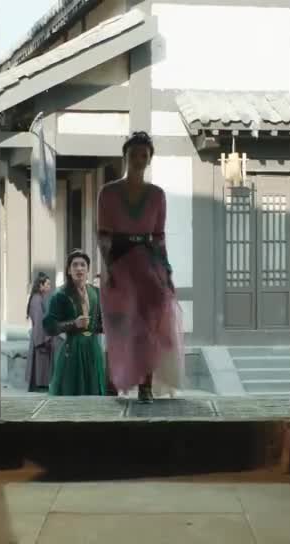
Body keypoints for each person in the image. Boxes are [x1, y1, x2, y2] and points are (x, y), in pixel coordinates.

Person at [97, 131, 186, 404]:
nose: (138, 159)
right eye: (134, 154)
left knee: (150, 325)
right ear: (125, 156)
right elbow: (103, 235)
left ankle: (145, 385)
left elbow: (159, 237)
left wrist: (166, 271)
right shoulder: (108, 192)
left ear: (149, 159)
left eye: (144, 155)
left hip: (148, 262)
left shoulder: (157, 195)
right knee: (121, 326)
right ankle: (116, 383)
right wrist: (109, 268)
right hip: (119, 262)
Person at [43, 250, 108, 396]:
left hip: (93, 349)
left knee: (94, 394)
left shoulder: (96, 293)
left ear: (88, 269)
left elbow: (99, 324)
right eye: (75, 265)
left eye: (83, 265)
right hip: (72, 350)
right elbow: (49, 326)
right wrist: (73, 324)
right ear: (68, 270)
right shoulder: (60, 295)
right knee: (71, 393)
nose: (79, 268)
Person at [26, 272, 57, 392]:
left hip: (39, 336)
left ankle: (40, 386)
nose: (49, 286)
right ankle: (40, 387)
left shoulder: (38, 298)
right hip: (40, 338)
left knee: (40, 368)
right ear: (41, 285)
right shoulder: (37, 300)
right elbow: (39, 321)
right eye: (47, 284)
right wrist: (45, 339)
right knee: (40, 368)